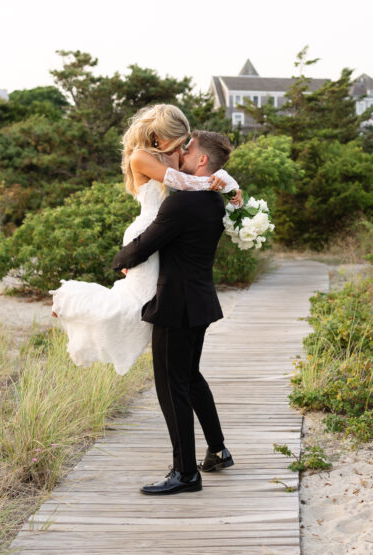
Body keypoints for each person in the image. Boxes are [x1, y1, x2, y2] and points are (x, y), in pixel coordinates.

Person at [50, 105, 241, 373]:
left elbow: (202, 170)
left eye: (184, 142)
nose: (181, 147)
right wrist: (222, 184)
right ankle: (70, 302)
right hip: (148, 228)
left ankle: (171, 364)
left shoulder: (169, 153)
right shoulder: (140, 156)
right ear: (159, 136)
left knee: (152, 299)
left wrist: (227, 182)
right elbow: (186, 183)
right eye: (177, 141)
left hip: (164, 228)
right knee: (138, 302)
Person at [112, 130, 236, 495]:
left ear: (201, 161)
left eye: (188, 148)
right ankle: (217, 450)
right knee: (190, 377)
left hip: (175, 306)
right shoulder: (214, 200)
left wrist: (121, 261)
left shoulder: (183, 203)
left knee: (171, 388)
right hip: (198, 302)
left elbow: (145, 245)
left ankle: (185, 473)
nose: (181, 152)